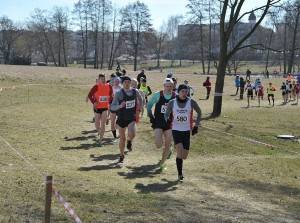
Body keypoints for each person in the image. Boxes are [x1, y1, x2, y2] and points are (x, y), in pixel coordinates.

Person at [164, 84, 202, 183]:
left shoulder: (191, 102)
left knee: (184, 156)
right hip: (176, 129)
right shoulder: (172, 102)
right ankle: (180, 174)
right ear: (178, 92)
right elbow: (166, 113)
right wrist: (167, 120)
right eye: (182, 91)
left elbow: (199, 112)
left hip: (186, 130)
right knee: (180, 151)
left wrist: (196, 126)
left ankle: (174, 153)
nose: (184, 93)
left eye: (186, 91)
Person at [110, 76, 143, 164]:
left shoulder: (134, 91)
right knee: (122, 138)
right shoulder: (119, 93)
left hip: (131, 118)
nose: (127, 84)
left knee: (132, 134)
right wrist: (119, 106)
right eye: (125, 82)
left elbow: (140, 99)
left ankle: (130, 141)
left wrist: (139, 110)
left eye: (129, 82)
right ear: (122, 83)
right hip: (121, 118)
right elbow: (112, 106)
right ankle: (121, 155)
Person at [147, 78, 176, 172]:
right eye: (167, 86)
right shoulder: (158, 94)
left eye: (171, 86)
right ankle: (168, 150)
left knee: (167, 143)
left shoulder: (175, 96)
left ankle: (162, 163)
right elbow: (149, 105)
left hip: (169, 122)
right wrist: (151, 116)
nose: (169, 88)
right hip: (158, 122)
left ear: (173, 86)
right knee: (159, 145)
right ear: (164, 86)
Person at [87, 73, 113, 145]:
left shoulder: (109, 86)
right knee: (97, 124)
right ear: (99, 80)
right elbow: (90, 95)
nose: (103, 80)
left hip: (105, 107)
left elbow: (111, 95)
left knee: (103, 123)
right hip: (97, 108)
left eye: (104, 78)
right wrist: (94, 102)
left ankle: (100, 140)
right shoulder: (96, 87)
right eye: (102, 79)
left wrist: (109, 99)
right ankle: (99, 130)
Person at [110, 77, 122, 141]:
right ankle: (114, 137)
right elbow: (108, 97)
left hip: (120, 107)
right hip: (113, 107)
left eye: (118, 82)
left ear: (120, 82)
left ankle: (120, 134)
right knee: (112, 122)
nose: (117, 83)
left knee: (120, 122)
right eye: (115, 82)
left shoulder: (121, 89)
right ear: (113, 82)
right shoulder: (111, 88)